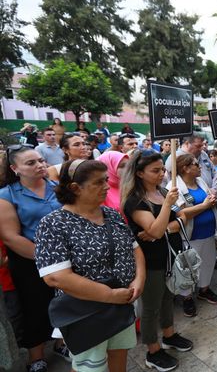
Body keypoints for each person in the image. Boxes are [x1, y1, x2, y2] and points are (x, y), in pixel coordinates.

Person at [35, 159, 145, 372]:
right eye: (98, 183)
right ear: (75, 188)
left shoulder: (111, 214)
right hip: (86, 312)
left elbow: (135, 248)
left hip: (121, 305)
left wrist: (139, 280)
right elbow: (55, 277)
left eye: (106, 180)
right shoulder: (53, 224)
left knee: (118, 356)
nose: (106, 186)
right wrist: (110, 295)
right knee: (90, 366)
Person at [121, 149, 193, 371]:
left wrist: (164, 229)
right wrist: (162, 220)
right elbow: (155, 228)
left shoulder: (163, 191)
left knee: (167, 298)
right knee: (151, 306)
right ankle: (153, 350)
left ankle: (169, 335)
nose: (162, 174)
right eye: (155, 170)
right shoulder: (135, 201)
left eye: (162, 169)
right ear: (140, 173)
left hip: (171, 257)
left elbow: (182, 217)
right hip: (150, 261)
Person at [0, 144, 67, 372]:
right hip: (29, 262)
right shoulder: (7, 195)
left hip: (63, 258)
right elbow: (10, 237)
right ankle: (36, 356)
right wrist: (46, 259)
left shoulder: (57, 187)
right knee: (35, 308)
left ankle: (61, 343)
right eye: (31, 163)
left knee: (64, 303)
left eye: (40, 160)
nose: (40, 165)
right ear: (14, 168)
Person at [171, 154, 217, 317]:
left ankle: (204, 289)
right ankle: (187, 298)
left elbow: (207, 199)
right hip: (190, 236)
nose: (200, 167)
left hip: (208, 232)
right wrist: (205, 205)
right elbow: (181, 213)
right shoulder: (175, 187)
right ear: (185, 168)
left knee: (207, 262)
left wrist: (212, 198)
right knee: (188, 267)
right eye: (196, 164)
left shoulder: (200, 181)